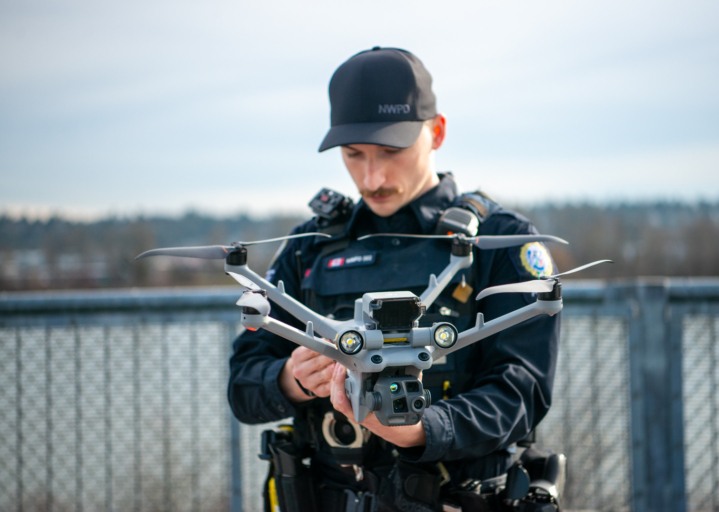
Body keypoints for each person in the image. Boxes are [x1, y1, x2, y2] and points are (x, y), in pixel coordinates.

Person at [228, 47, 561, 512]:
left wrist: (426, 429)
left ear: (437, 132)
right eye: (353, 154)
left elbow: (521, 391)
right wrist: (289, 379)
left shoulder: (501, 242)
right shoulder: (309, 245)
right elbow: (242, 389)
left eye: (391, 151)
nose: (372, 176)